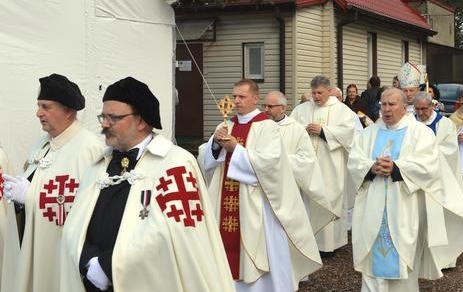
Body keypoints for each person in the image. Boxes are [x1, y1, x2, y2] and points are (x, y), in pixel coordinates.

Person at [60, 77, 235, 292]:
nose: (104, 124)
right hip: (90, 279)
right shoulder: (99, 164)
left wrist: (108, 265)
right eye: (103, 117)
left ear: (141, 121)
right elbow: (75, 222)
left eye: (113, 118)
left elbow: (176, 234)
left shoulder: (175, 163)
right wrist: (88, 259)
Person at [204, 79, 322, 292]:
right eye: (234, 96)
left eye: (242, 97)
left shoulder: (267, 127)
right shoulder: (226, 124)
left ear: (255, 99)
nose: (237, 101)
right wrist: (214, 143)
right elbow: (208, 160)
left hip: (255, 203)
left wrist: (236, 149)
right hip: (224, 199)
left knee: (259, 251)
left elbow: (272, 163)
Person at [348, 87, 463, 292]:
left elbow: (429, 166)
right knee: (372, 268)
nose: (386, 109)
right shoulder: (368, 133)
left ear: (404, 107)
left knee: (403, 264)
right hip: (372, 208)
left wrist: (397, 168)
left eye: (391, 104)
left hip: (404, 208)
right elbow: (354, 162)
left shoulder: (421, 133)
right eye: (383, 104)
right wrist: (370, 167)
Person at [1, 74, 103, 292]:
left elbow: (88, 210)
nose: (38, 113)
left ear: (67, 110)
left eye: (46, 107)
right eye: (38, 106)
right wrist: (19, 201)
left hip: (59, 258)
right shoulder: (43, 143)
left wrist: (30, 197)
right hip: (31, 247)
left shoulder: (89, 149)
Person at [291, 75, 356, 253]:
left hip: (331, 166)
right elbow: (291, 130)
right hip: (307, 166)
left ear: (329, 91)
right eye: (314, 93)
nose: (316, 97)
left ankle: (329, 245)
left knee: (330, 199)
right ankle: (307, 243)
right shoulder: (301, 109)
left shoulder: (342, 110)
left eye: (320, 93)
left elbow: (350, 133)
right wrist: (303, 130)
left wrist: (323, 132)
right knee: (307, 202)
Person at [263, 91, 335, 234]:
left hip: (289, 190)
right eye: (264, 106)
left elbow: (306, 160)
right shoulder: (259, 126)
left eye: (270, 106)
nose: (266, 110)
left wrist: (278, 160)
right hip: (263, 189)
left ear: (283, 108)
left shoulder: (296, 129)